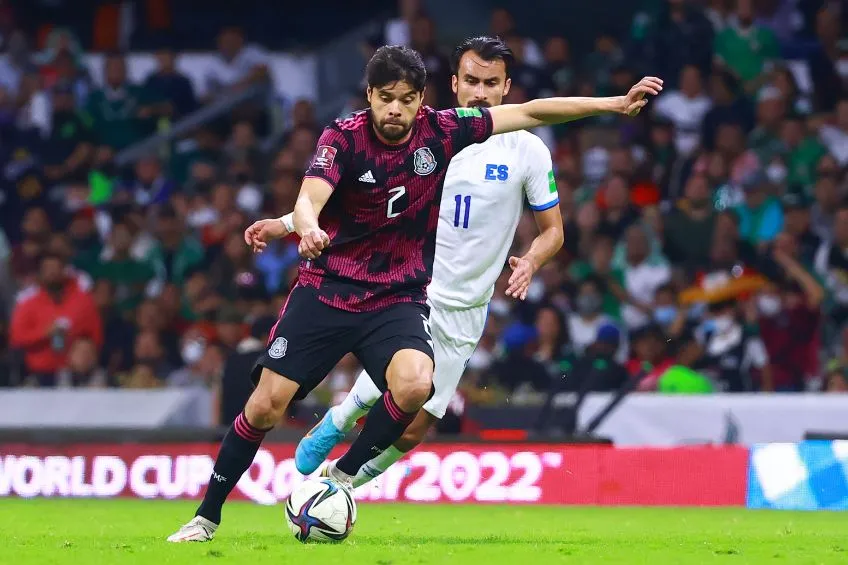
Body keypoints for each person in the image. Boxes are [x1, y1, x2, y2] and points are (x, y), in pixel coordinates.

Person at [168, 42, 661, 542]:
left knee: (412, 396)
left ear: (421, 98)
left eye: (406, 98)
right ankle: (206, 516)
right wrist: (295, 225)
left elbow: (535, 115)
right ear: (373, 96)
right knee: (266, 405)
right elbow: (317, 197)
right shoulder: (346, 137)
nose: (396, 108)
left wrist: (614, 104)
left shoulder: (453, 134)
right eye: (386, 98)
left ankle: (337, 482)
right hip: (338, 286)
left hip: (402, 297)